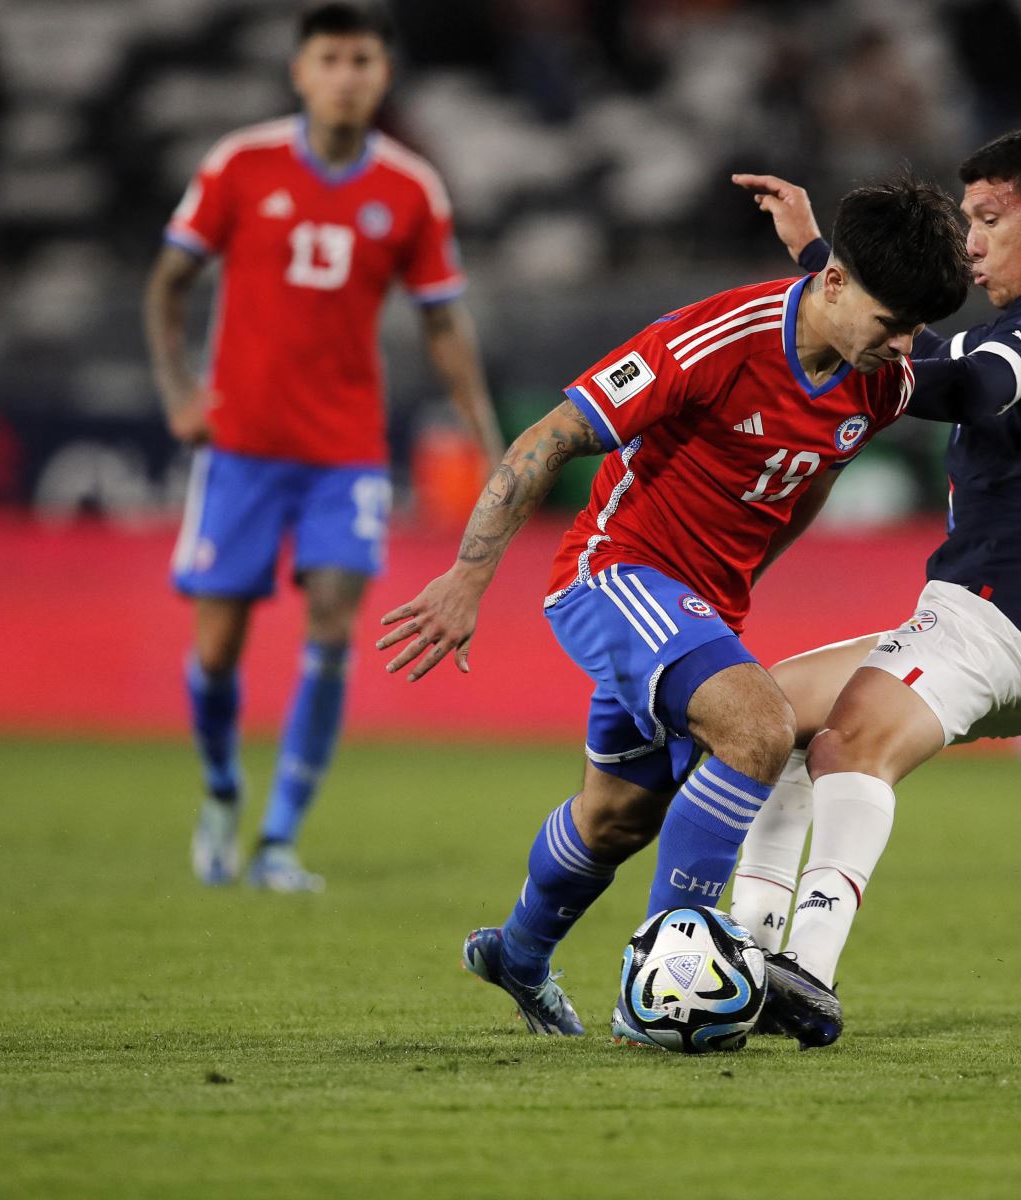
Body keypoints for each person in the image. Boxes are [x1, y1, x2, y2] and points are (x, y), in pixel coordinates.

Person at [375, 177, 969, 1039]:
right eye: (894, 324)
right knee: (760, 725)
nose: (906, 345)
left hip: (699, 606)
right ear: (835, 285)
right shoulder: (715, 340)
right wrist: (468, 579)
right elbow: (548, 439)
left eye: (916, 326)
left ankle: (518, 953)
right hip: (614, 571)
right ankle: (659, 977)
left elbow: (813, 478)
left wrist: (744, 578)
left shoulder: (876, 378)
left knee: (616, 818)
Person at [723, 129, 1021, 1047]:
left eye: (991, 220)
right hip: (985, 615)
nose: (971, 245)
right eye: (968, 221)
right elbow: (934, 345)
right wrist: (817, 257)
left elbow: (970, 386)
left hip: (1004, 617)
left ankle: (805, 970)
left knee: (849, 747)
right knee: (765, 718)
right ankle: (744, 953)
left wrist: (837, 327)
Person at [144, 2, 501, 893]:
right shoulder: (240, 164)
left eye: (362, 60)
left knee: (336, 621)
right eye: (331, 58)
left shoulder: (412, 188)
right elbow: (166, 285)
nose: (346, 75)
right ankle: (223, 792)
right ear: (301, 71)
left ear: (385, 75)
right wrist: (182, 394)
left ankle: (277, 841)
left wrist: (486, 436)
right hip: (242, 448)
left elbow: (444, 324)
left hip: (345, 451)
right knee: (219, 649)